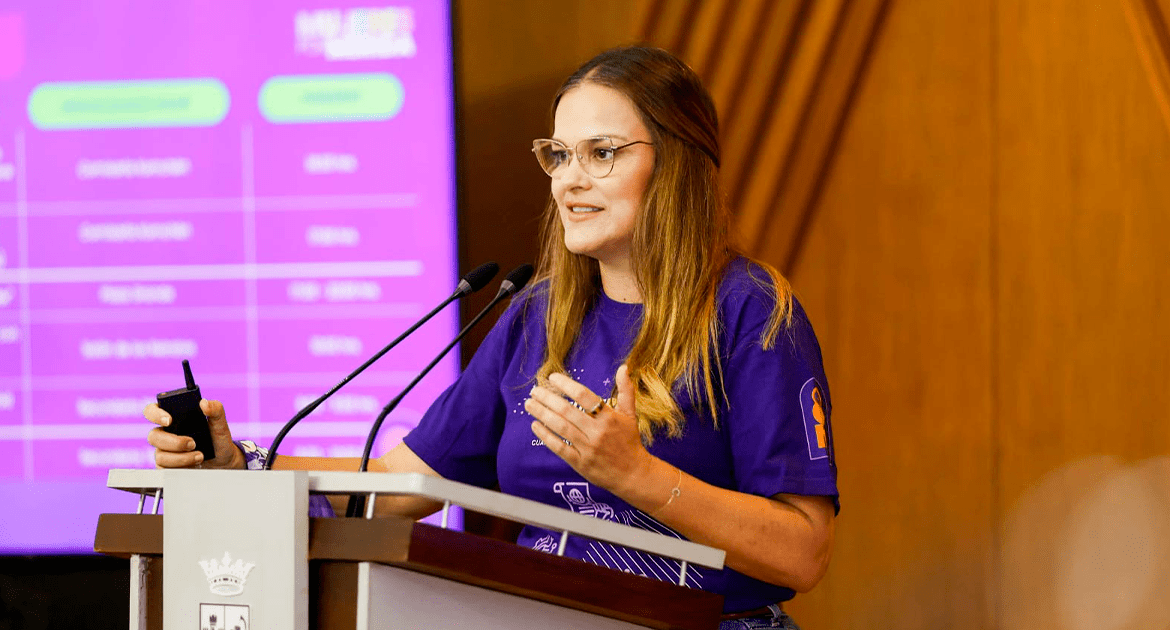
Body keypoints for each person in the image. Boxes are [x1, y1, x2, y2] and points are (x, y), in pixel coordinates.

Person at [145, 46, 837, 629]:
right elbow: (398, 488)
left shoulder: (751, 312)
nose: (569, 181)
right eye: (559, 155)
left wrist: (638, 476)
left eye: (601, 153)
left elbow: (803, 553)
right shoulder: (536, 316)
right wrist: (245, 470)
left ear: (678, 164)